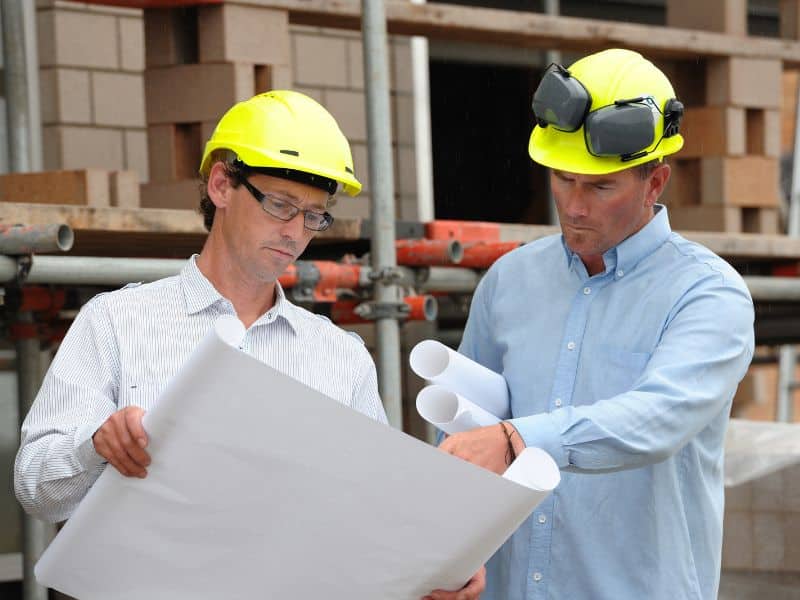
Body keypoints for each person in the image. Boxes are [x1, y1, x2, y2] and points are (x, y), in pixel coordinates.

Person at [439, 49, 754, 599]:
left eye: (601, 187)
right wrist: (448, 553)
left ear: (655, 182)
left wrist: (518, 440)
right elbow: (463, 435)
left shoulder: (708, 294)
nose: (575, 206)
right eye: (564, 180)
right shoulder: (509, 281)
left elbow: (657, 419)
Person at [14, 90, 388, 524]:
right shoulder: (117, 322)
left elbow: (374, 504)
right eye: (280, 205)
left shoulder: (342, 358)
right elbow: (34, 488)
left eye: (313, 216)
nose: (294, 233)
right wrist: (93, 444)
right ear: (221, 185)